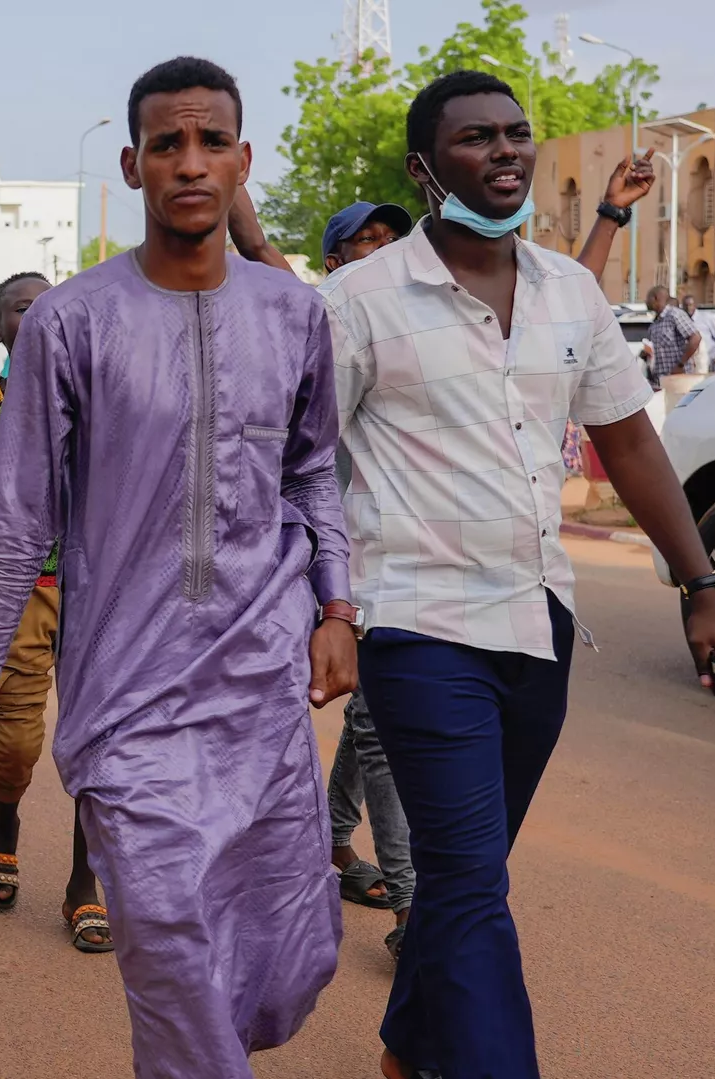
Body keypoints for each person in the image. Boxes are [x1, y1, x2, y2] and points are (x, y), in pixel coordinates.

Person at [0, 57, 358, 1078]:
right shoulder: (74, 322)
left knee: (292, 952)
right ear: (133, 165)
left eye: (212, 142)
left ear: (243, 161)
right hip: (128, 693)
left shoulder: (293, 314)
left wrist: (337, 602)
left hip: (260, 683)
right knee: (167, 937)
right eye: (167, 144)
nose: (191, 163)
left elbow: (313, 474)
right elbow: (13, 521)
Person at [322, 70, 715, 1079]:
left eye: (517, 134)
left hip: (540, 625)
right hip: (416, 624)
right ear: (427, 171)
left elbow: (630, 444)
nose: (507, 150)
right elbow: (304, 464)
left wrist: (701, 588)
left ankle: (406, 1042)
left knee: (473, 872)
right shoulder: (358, 302)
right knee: (466, 880)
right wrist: (326, 603)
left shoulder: (571, 291)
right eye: (477, 139)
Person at [0, 270, 111, 953]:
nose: (35, 315)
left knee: (100, 741)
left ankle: (82, 882)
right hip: (23, 588)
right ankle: (3, 815)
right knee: (20, 741)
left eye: (47, 306)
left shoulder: (104, 400)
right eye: (19, 307)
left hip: (102, 588)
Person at [312, 199, 421, 956]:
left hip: (398, 554)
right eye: (364, 241)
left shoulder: (417, 328)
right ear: (332, 261)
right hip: (320, 557)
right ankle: (413, 902)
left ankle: (330, 835)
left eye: (392, 239)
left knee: (371, 718)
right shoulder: (319, 321)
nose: (382, 251)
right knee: (377, 723)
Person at [645, 285, 704, 382]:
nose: (646, 303)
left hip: (679, 378)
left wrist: (680, 364)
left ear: (656, 298)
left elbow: (695, 338)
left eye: (648, 299)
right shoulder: (656, 322)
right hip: (661, 379)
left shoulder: (674, 315)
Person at [684, 293, 715, 371]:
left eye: (690, 305)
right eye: (686, 305)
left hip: (707, 362)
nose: (688, 308)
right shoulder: (682, 320)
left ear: (695, 305)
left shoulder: (706, 318)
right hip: (689, 365)